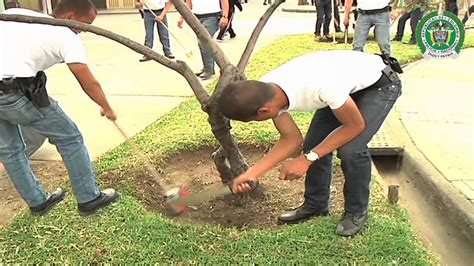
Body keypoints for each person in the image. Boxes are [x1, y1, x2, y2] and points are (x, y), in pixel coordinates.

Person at [217, 50, 402, 236]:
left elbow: (354, 126)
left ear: (264, 111)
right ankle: (316, 204)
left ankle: (356, 212)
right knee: (314, 143)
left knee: (351, 149)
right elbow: (291, 139)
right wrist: (252, 174)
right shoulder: (267, 91)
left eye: (255, 120)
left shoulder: (323, 88)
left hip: (378, 86)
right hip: (343, 88)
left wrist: (306, 160)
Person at [0, 0, 118, 216]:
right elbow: (88, 81)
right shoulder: (66, 35)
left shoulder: (15, 13)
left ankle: (38, 202)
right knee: (70, 138)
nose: (82, 32)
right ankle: (89, 197)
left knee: (10, 150)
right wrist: (106, 106)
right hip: (17, 90)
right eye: (84, 25)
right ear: (70, 17)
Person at [178, 0, 229, 80]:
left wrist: (225, 16)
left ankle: (209, 69)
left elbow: (224, 1)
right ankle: (207, 67)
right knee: (203, 44)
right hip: (196, 17)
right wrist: (182, 18)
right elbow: (189, 3)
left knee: (204, 43)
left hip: (212, 16)